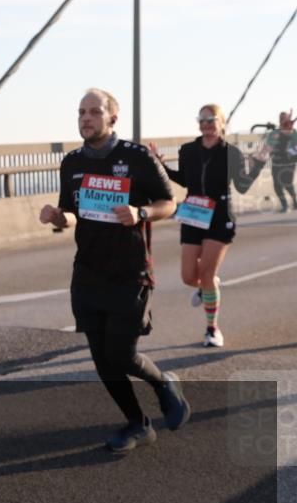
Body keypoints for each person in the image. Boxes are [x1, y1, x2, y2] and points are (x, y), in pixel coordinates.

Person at [39, 88, 190, 453]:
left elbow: (169, 202)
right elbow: (72, 214)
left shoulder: (136, 157)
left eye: (93, 112)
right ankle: (137, 424)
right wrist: (57, 217)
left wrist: (141, 213)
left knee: (121, 354)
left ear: (112, 118)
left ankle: (163, 383)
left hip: (130, 271)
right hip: (87, 272)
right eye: (81, 112)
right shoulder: (72, 162)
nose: (85, 118)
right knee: (102, 360)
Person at [148, 104, 268, 348]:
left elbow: (243, 184)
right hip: (193, 213)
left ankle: (212, 328)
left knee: (206, 274)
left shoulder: (231, 153)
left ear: (221, 123)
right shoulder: (188, 150)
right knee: (188, 277)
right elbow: (184, 179)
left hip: (219, 217)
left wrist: (258, 161)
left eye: (211, 119)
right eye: (201, 120)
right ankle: (208, 286)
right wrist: (160, 165)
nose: (205, 124)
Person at [265, 110, 297, 213]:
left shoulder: (293, 132)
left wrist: (289, 152)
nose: (282, 120)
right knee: (277, 185)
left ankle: (295, 201)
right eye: (281, 118)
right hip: (276, 162)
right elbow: (269, 146)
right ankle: (285, 205)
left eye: (284, 118)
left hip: (289, 162)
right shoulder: (274, 133)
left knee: (287, 183)